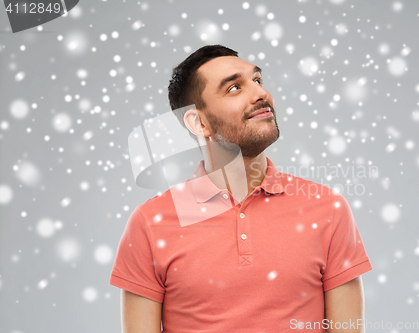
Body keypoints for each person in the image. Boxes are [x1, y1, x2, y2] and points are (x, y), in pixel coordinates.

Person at [109, 44, 373, 332]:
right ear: (198, 123)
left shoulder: (328, 209)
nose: (261, 94)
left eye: (257, 80)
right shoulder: (150, 224)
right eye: (234, 88)